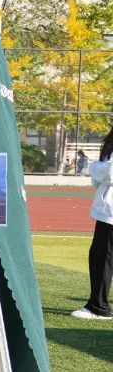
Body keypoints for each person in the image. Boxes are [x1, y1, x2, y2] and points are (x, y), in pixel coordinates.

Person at [72, 124, 113, 319]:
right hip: (108, 210)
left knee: (102, 257)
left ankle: (98, 307)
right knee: (100, 256)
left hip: (110, 211)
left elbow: (109, 172)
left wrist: (93, 167)